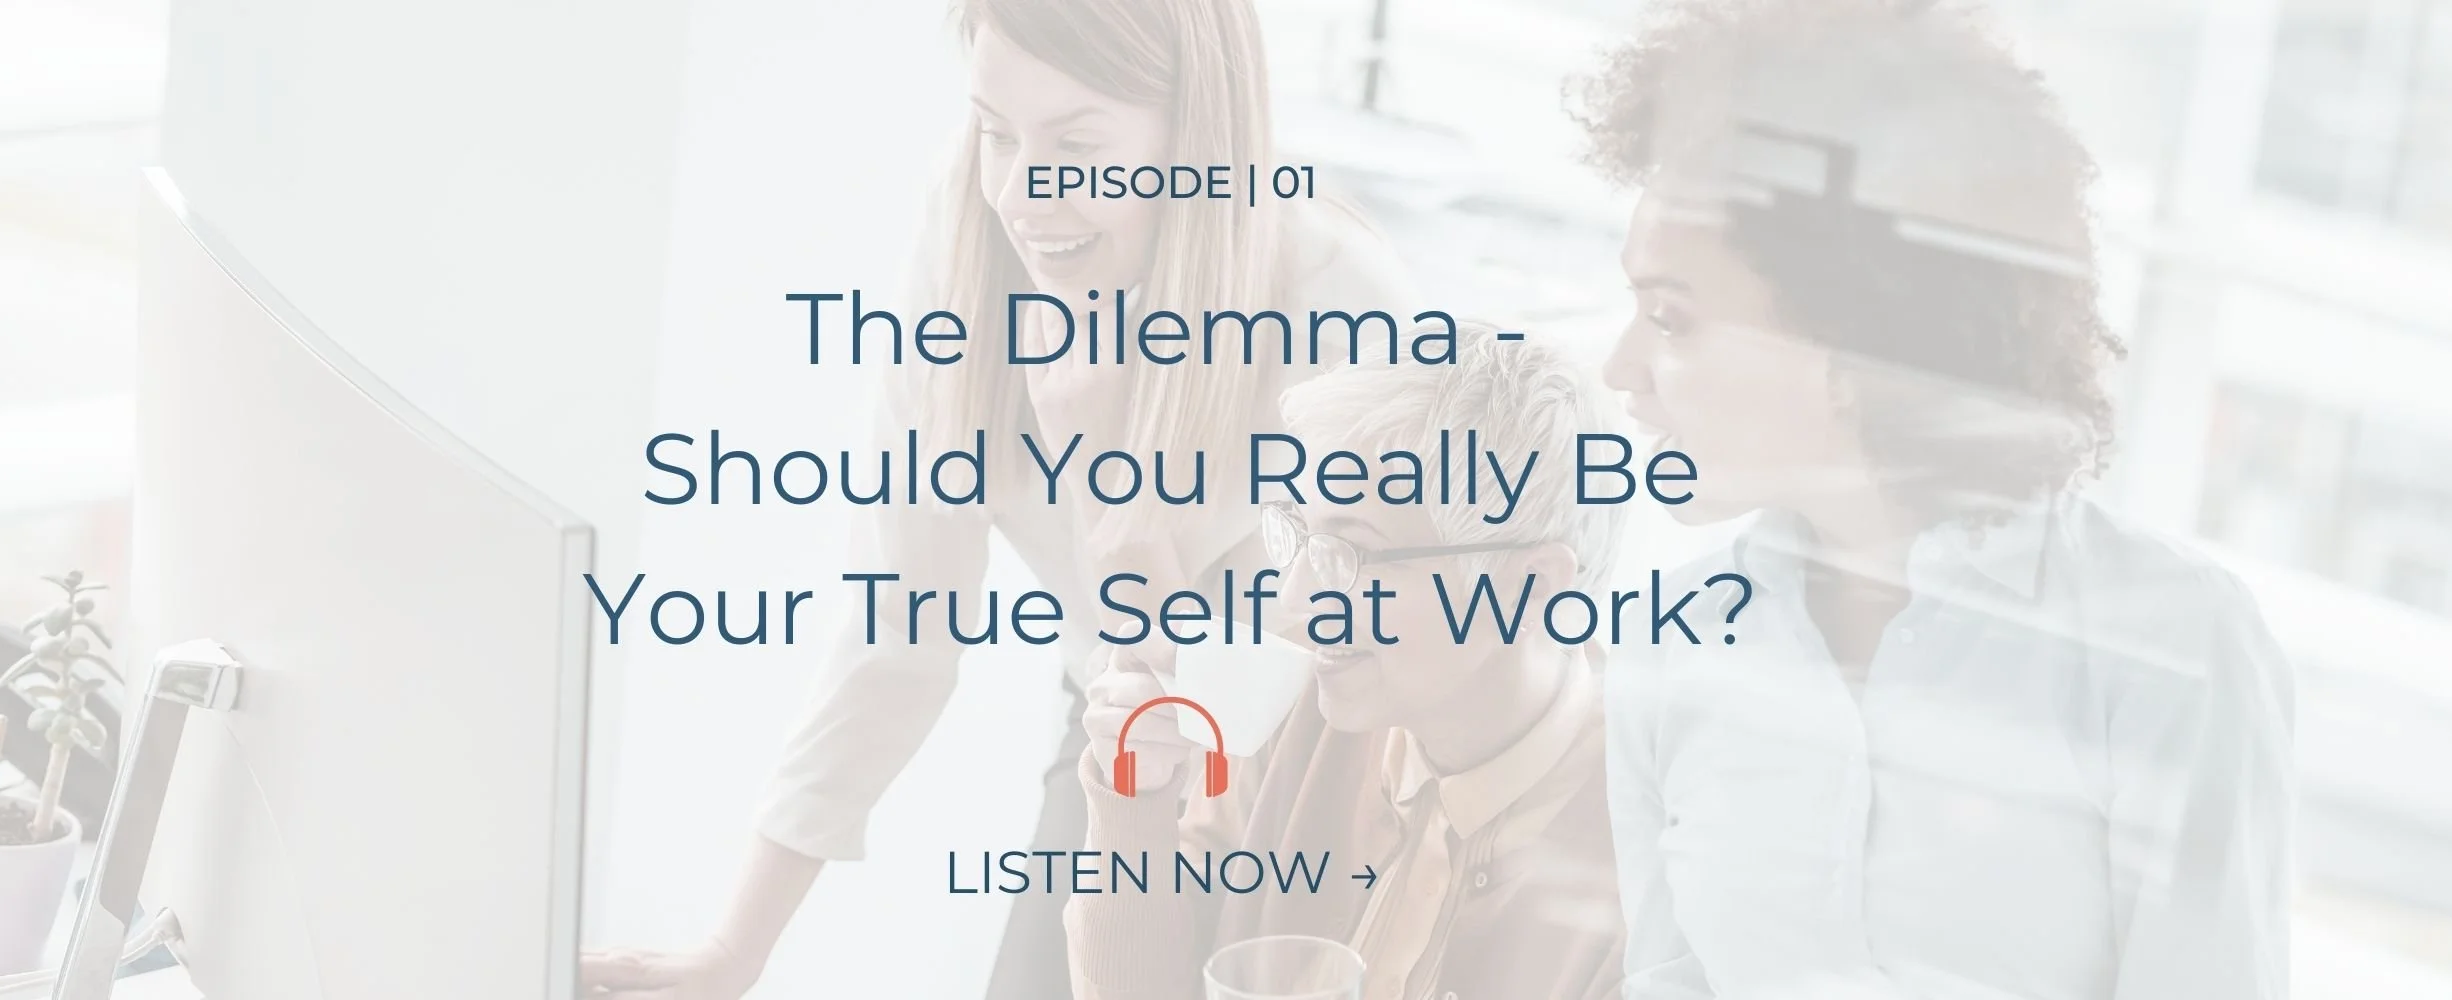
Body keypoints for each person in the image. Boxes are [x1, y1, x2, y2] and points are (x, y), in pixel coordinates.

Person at [579, 1, 1413, 997]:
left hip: (1310, 755)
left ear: (1197, 134)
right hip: (1115, 719)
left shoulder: (1340, 303)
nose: (1025, 194)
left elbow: (1231, 698)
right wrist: (733, 951)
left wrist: (1113, 470)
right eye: (996, 131)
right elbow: (899, 624)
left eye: (1078, 144)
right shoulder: (972, 244)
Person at [1574, 2, 2295, 998]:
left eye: (1670, 318)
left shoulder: (2170, 647)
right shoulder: (1670, 648)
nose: (1623, 368)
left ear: (1847, 334)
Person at [1065, 329, 1629, 1000]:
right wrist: (1136, 804)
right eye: (1302, 537)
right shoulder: (1306, 710)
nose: (1295, 597)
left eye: (1355, 553)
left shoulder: (1647, 857)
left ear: (1529, 586)